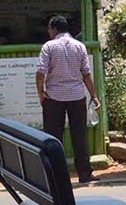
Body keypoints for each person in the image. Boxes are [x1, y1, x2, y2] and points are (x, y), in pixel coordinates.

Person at [37, 15, 97, 184]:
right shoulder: (79, 46)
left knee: (53, 137)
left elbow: (41, 72)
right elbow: (86, 74)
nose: (49, 32)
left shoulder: (48, 46)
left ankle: (56, 176)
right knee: (79, 135)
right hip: (76, 96)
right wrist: (93, 95)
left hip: (53, 97)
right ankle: (84, 174)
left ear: (54, 29)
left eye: (49, 29)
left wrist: (40, 92)